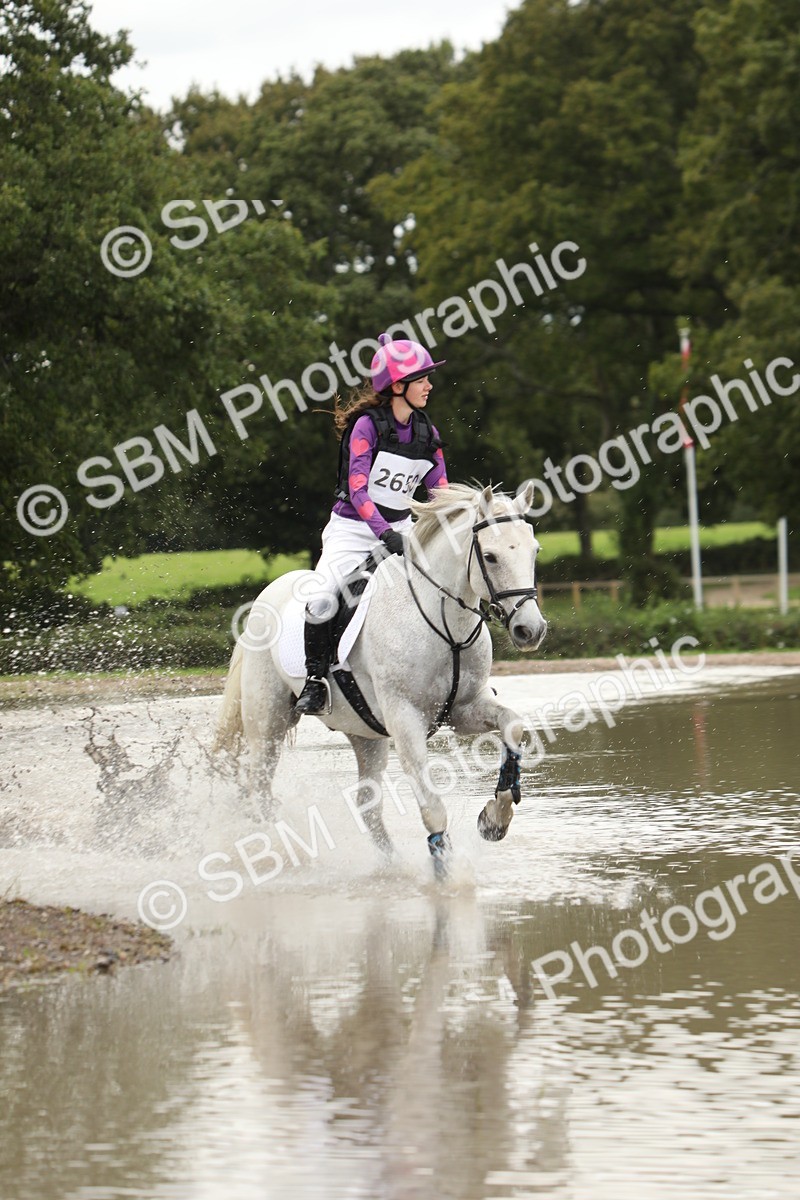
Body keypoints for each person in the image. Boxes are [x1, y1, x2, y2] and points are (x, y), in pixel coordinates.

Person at [293, 332, 449, 714]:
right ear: (398, 385)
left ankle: (457, 677)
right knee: (323, 600)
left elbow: (440, 493)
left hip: (402, 530)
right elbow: (358, 492)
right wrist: (386, 534)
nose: (429, 385)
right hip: (352, 531)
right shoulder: (366, 427)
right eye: (422, 378)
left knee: (447, 586)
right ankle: (315, 681)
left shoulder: (428, 433)